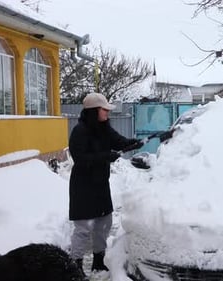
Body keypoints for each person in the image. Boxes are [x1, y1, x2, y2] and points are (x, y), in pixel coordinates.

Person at [68, 92, 143, 276]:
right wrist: (105, 156)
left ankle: (98, 261)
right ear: (94, 111)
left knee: (104, 222)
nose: (107, 113)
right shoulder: (80, 131)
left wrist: (131, 143)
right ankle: (76, 265)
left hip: (100, 184)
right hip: (83, 185)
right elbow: (80, 158)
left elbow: (118, 141)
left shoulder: (103, 128)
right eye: (104, 109)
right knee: (83, 227)